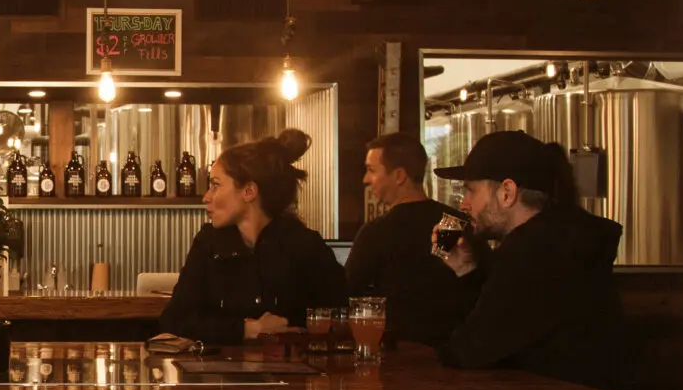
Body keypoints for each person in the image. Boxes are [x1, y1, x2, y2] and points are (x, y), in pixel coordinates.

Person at [432, 129, 627, 390]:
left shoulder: (534, 253)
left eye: (471, 190)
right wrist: (466, 269)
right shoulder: (556, 241)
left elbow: (466, 351)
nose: (465, 204)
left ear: (507, 192)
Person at [160, 130, 346, 346]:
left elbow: (341, 317)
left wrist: (295, 332)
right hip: (219, 375)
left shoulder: (305, 246)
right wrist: (248, 329)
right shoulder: (209, 244)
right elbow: (174, 320)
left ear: (248, 191)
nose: (206, 197)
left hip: (293, 374)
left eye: (215, 185)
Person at [346, 129, 476, 347]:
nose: (365, 179)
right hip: (452, 349)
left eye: (371, 170)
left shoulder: (377, 231)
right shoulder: (451, 221)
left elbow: (348, 293)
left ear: (399, 176)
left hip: (397, 354)